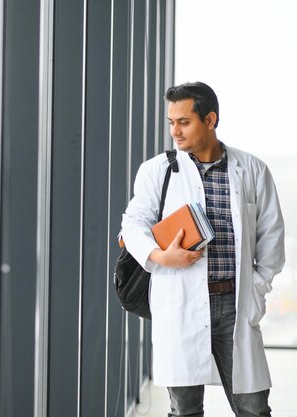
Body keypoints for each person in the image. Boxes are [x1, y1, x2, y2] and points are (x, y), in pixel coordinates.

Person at [121, 81, 285, 416]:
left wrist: (257, 289)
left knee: (253, 408)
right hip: (180, 302)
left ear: (209, 120)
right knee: (184, 410)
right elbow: (132, 223)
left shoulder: (251, 169)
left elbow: (272, 237)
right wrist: (160, 256)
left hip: (233, 304)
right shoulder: (158, 171)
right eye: (171, 122)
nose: (175, 132)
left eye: (184, 122)